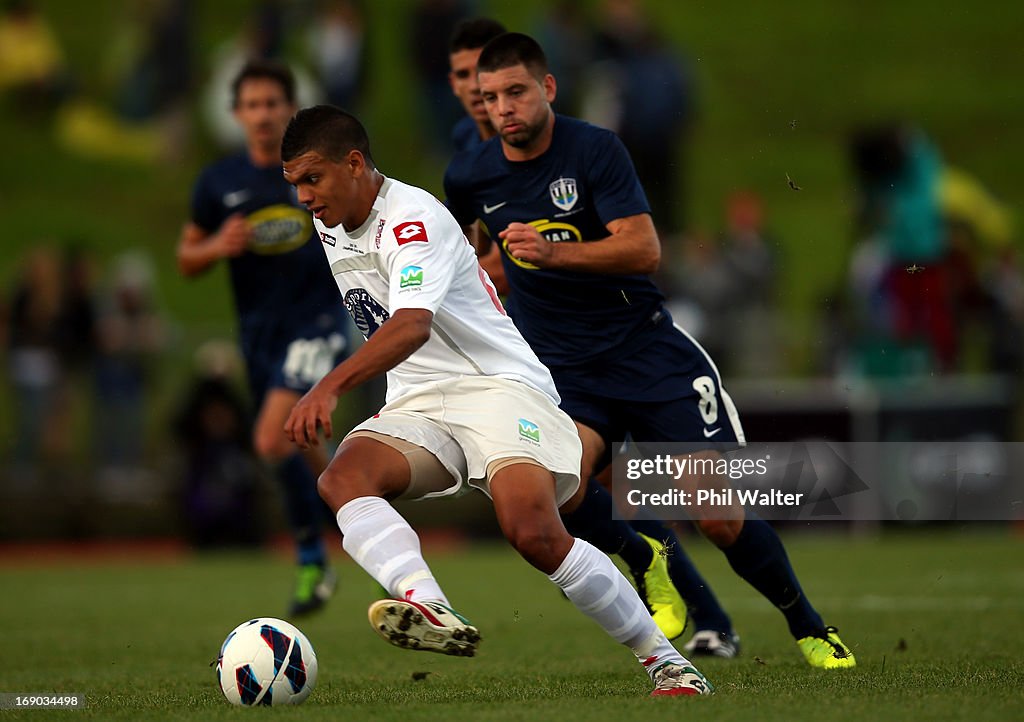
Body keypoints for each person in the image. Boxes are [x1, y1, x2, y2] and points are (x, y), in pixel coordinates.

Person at [444, 32, 856, 669]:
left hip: (647, 354)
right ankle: (644, 553)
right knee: (558, 485)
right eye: (490, 95)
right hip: (565, 373)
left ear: (547, 88)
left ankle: (808, 624)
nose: (502, 107)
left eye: (515, 91)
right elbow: (477, 253)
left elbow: (644, 249)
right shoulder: (469, 174)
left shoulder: (596, 149)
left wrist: (554, 252)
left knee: (716, 515)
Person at [280, 104, 712, 697]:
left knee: (532, 530)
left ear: (354, 164)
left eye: (312, 179)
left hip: (498, 387)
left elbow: (411, 326)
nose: (304, 197)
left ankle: (666, 660)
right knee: (342, 480)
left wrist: (329, 385)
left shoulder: (412, 219)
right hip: (420, 397)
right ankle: (428, 606)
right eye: (295, 184)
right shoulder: (331, 218)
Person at [446, 17, 737, 654]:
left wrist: (534, 258)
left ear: (533, 85)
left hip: (605, 340)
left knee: (617, 493)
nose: (478, 92)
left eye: (488, 80)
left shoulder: (570, 149)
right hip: (530, 349)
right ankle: (691, 606)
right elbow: (477, 262)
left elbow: (611, 244)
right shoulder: (466, 168)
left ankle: (709, 619)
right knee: (579, 494)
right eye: (465, 78)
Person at [177, 60, 348, 617]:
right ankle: (369, 520)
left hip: (318, 322)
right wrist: (215, 247)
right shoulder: (218, 182)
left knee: (273, 439)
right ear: (235, 114)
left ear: (290, 111)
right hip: (259, 337)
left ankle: (310, 558)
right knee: (299, 446)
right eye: (251, 105)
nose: (262, 114)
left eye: (272, 103)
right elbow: (186, 259)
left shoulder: (311, 171)